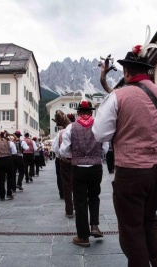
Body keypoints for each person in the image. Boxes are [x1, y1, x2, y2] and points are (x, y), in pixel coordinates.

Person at [92, 38, 157, 266]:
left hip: (131, 172)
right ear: (148, 71)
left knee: (131, 228)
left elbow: (100, 134)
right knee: (150, 219)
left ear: (126, 72)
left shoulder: (118, 96)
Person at [60, 99, 109, 247]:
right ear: (91, 112)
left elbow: (64, 150)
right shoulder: (99, 126)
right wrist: (95, 154)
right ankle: (94, 225)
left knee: (80, 201)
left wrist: (75, 153)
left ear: (79, 113)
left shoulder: (71, 127)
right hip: (95, 167)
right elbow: (105, 148)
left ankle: (83, 236)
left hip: (78, 167)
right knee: (94, 197)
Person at [0, 131, 16, 200]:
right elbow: (14, 151)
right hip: (8, 159)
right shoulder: (10, 142)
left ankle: (1, 195)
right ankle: (9, 193)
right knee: (10, 177)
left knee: (1, 179)